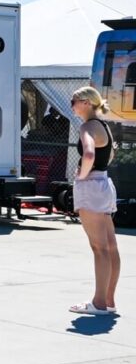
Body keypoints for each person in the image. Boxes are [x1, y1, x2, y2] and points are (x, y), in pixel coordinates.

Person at [68, 86, 121, 315]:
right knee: (110, 246)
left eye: (74, 100)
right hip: (104, 184)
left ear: (86, 103)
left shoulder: (88, 126)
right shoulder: (104, 127)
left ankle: (99, 303)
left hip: (91, 187)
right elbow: (110, 154)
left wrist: (81, 175)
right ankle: (108, 301)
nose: (72, 105)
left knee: (99, 248)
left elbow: (89, 153)